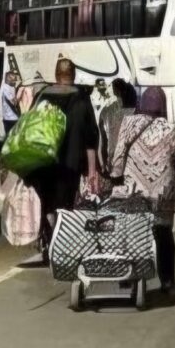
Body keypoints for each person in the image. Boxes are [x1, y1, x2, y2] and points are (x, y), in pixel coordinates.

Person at [110, 85, 175, 291]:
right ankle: (167, 280)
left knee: (130, 230)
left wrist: (116, 179)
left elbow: (119, 155)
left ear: (142, 104)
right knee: (164, 234)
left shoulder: (128, 124)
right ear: (163, 106)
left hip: (133, 192)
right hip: (162, 195)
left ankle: (127, 274)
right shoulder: (172, 129)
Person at [33, 58, 100, 258]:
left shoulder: (41, 96)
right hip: (71, 165)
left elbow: (28, 130)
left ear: (56, 75)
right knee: (65, 205)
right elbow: (90, 138)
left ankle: (50, 239)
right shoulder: (82, 99)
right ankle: (59, 243)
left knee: (47, 203)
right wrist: (92, 171)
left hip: (43, 163)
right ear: (74, 75)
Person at [97, 78, 139, 176]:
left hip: (113, 159)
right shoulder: (136, 112)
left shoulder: (106, 111)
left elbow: (103, 141)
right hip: (131, 161)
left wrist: (103, 165)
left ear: (115, 91)